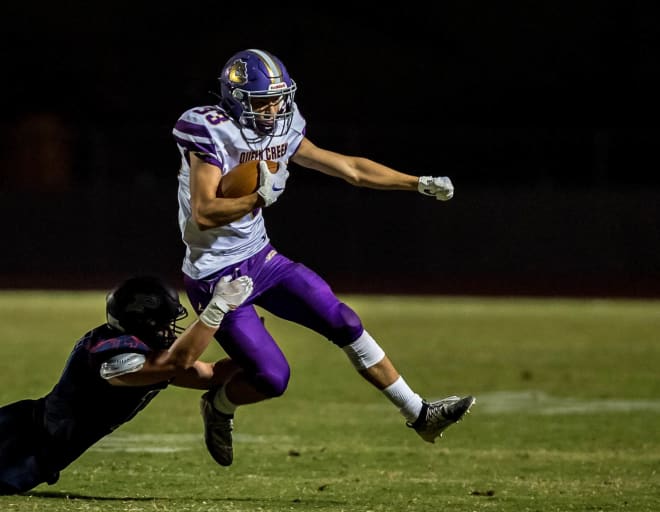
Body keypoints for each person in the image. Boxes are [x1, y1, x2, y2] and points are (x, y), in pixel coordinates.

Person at [172, 48, 475, 468]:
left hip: (260, 258)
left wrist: (416, 183)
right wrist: (257, 197)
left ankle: (419, 413)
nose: (274, 109)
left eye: (279, 99)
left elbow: (349, 168)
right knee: (272, 378)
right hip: (215, 274)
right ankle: (219, 404)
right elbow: (204, 213)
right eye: (263, 102)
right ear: (236, 100)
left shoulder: (281, 126)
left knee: (343, 319)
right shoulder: (210, 129)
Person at [0, 273, 253, 494]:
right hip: (22, 447)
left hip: (30, 432)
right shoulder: (117, 358)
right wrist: (217, 308)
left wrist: (256, 351)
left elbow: (211, 374)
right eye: (163, 321)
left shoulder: (138, 347)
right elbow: (177, 363)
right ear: (142, 322)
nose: (169, 329)